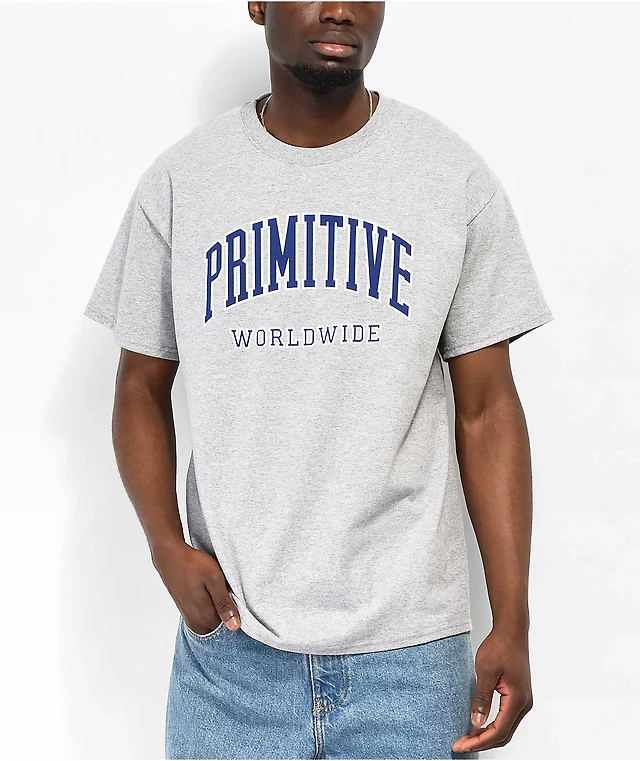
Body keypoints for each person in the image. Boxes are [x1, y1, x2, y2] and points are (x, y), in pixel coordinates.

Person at [83, 2, 554, 758]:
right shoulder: (183, 183)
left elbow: (488, 407)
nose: (340, 8)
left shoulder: (450, 178)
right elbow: (140, 383)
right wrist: (165, 542)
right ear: (257, 3)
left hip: (411, 658)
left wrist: (513, 619)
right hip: (232, 655)